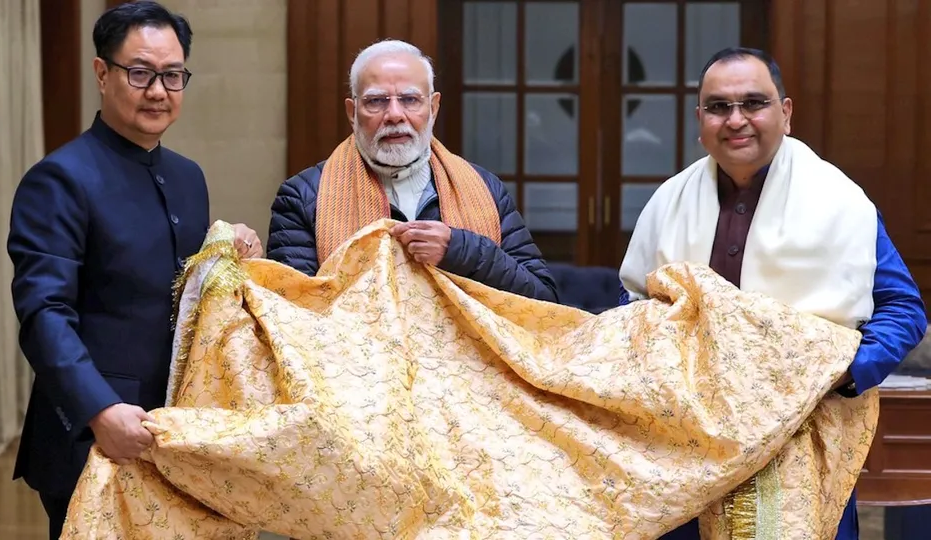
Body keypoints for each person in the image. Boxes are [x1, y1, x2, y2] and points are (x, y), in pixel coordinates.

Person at [617, 47, 926, 540]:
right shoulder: (667, 202)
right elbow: (631, 304)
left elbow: (902, 309)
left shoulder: (840, 203)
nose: (736, 120)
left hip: (799, 435)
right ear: (700, 119)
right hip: (686, 441)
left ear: (785, 112)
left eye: (753, 103)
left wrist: (843, 373)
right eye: (719, 107)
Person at [7, 2, 262, 538]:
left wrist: (225, 252)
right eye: (140, 72)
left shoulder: (188, 177)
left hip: (175, 431)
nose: (158, 90)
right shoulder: (59, 179)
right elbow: (43, 314)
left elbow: (178, 295)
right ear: (102, 73)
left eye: (173, 75)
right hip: (94, 434)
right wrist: (99, 409)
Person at [267, 39, 557, 303]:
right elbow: (291, 314)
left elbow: (544, 301)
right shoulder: (304, 196)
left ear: (433, 107)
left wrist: (459, 250)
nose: (394, 114)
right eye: (376, 101)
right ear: (352, 112)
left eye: (410, 100)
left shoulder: (485, 187)